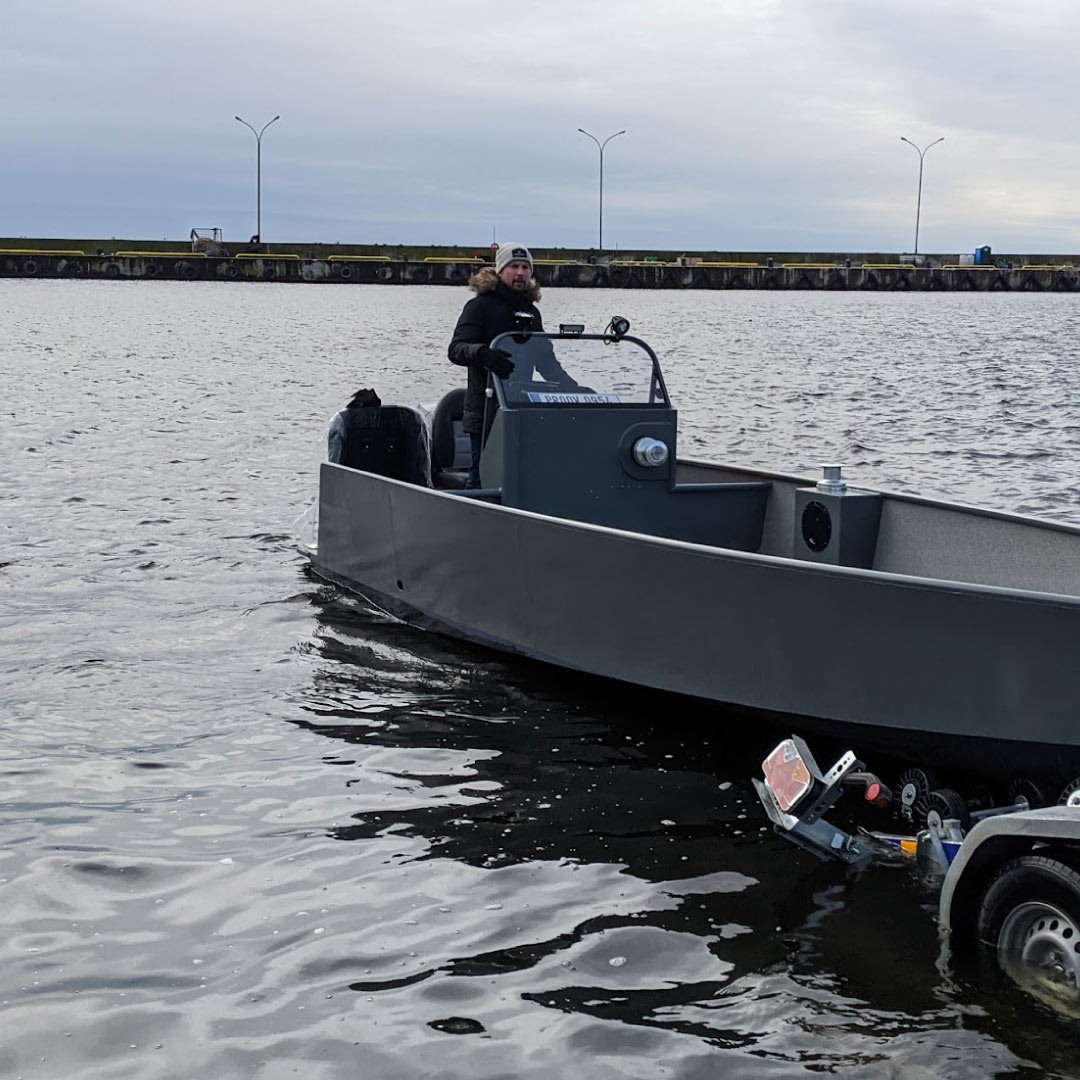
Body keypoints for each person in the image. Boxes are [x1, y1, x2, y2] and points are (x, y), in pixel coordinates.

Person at [448, 243, 578, 487]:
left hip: (521, 409)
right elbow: (456, 349)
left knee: (524, 477)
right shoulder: (479, 306)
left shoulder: (531, 312)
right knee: (482, 478)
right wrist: (485, 354)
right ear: (500, 271)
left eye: (525, 268)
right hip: (485, 410)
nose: (520, 273)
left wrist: (575, 390)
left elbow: (546, 362)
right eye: (514, 267)